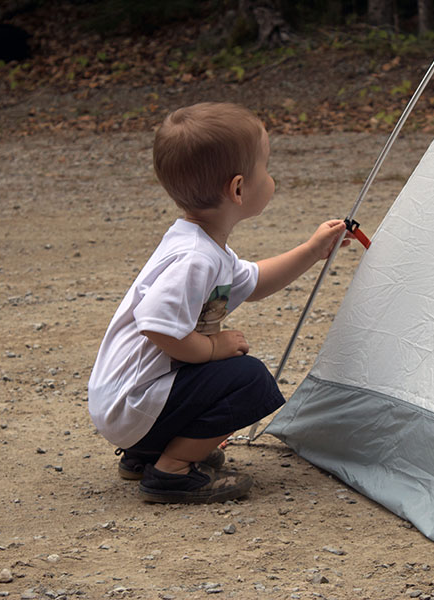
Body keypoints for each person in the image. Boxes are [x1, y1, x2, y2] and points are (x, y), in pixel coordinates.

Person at [88, 102, 349, 504]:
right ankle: (171, 471)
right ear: (239, 188)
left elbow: (256, 282)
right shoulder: (195, 258)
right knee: (247, 378)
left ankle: (145, 453)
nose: (272, 176)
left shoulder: (202, 247)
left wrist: (313, 250)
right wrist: (213, 348)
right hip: (133, 403)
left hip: (131, 402)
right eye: (266, 165)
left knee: (228, 370)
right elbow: (156, 325)